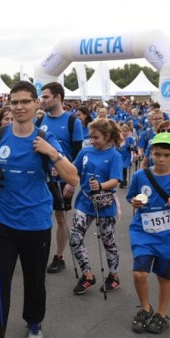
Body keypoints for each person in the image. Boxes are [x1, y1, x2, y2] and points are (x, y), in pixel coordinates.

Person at [0, 81, 78, 338]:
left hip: (37, 223)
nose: (19, 107)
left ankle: (33, 320)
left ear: (36, 104)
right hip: (5, 222)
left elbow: (73, 177)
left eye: (25, 101)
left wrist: (51, 153)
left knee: (34, 279)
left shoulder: (44, 138)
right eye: (14, 102)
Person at [127, 132, 170, 333]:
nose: (162, 159)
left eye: (166, 155)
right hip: (143, 231)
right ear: (151, 154)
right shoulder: (140, 175)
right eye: (157, 154)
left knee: (164, 277)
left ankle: (161, 314)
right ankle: (145, 308)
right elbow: (132, 198)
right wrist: (135, 202)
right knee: (139, 274)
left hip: (169, 234)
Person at [66, 119, 123, 295]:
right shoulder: (85, 151)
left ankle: (113, 276)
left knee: (108, 241)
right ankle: (88, 275)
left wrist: (100, 186)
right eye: (90, 137)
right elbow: (73, 170)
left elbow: (115, 180)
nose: (92, 141)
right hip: (84, 202)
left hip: (105, 204)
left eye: (96, 137)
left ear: (107, 136)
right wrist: (63, 175)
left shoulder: (115, 156)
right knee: (75, 238)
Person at [38, 82, 84, 275]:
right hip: (43, 178)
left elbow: (78, 156)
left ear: (58, 97)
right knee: (41, 216)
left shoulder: (73, 122)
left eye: (46, 97)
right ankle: (39, 254)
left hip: (63, 179)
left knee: (60, 218)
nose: (43, 100)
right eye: (42, 97)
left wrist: (73, 183)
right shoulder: (39, 121)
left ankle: (59, 256)